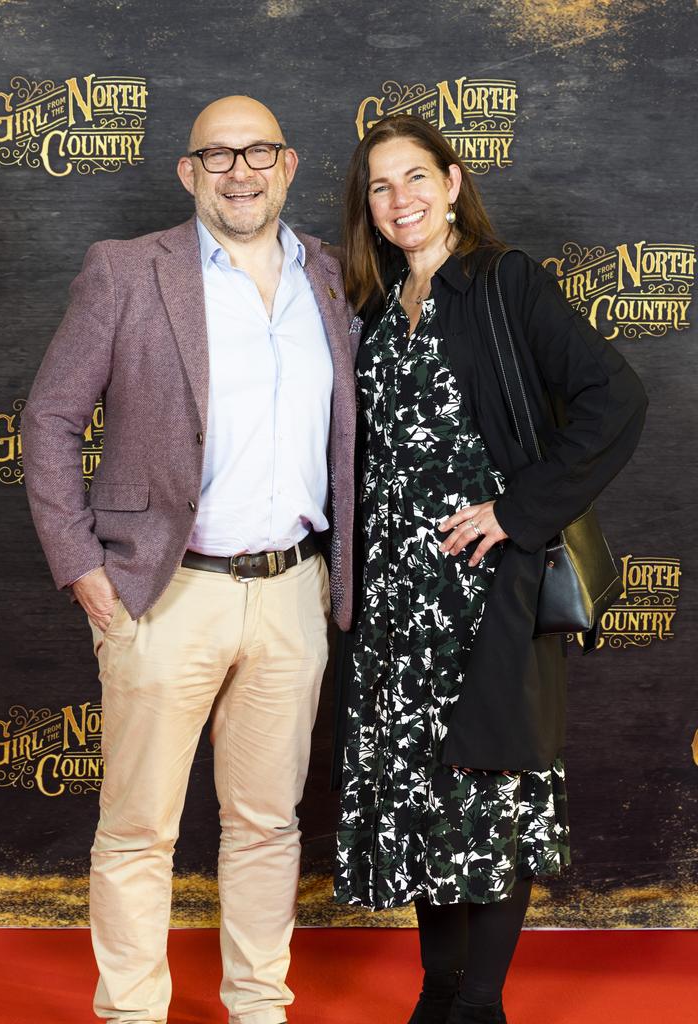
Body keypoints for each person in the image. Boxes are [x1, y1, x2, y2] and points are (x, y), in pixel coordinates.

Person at [21, 95, 357, 1024]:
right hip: (164, 593)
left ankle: (259, 1006)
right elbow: (49, 420)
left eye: (258, 154)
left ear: (288, 166)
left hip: (292, 591)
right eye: (217, 155)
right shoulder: (127, 272)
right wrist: (82, 566)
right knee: (137, 832)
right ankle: (132, 1013)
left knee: (266, 826)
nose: (238, 171)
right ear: (187, 171)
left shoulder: (327, 276)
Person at [333, 114, 647, 1024]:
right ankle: (437, 995)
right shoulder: (379, 308)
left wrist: (517, 512)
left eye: (415, 178)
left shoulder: (506, 282)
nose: (401, 201)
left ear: (454, 181)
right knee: (431, 790)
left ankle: (480, 1005)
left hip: (484, 590)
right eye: (381, 188)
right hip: (396, 599)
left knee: (494, 790)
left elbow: (615, 397)